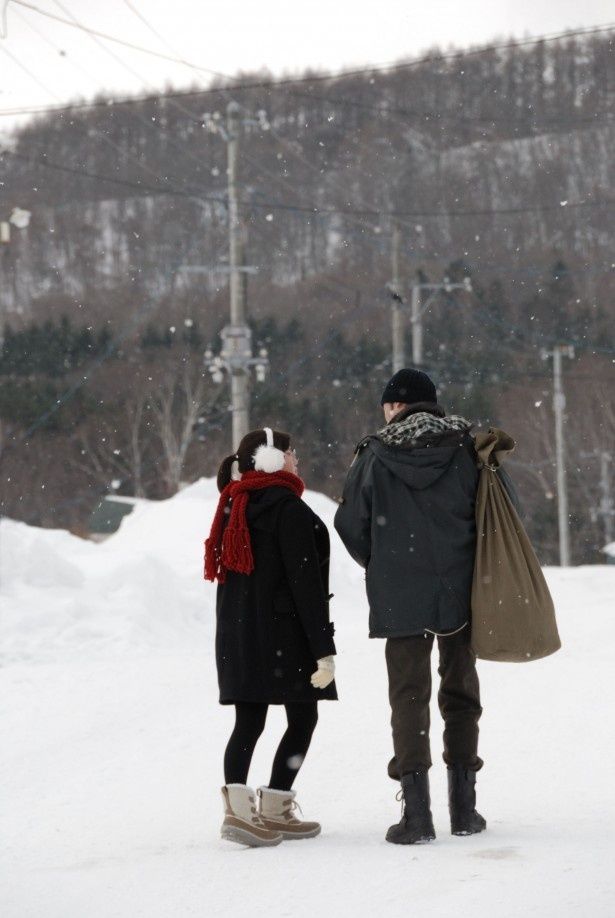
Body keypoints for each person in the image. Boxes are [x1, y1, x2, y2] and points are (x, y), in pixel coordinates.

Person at [334, 368, 491, 845]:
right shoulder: (468, 448)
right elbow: (497, 515)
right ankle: (465, 809)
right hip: (460, 587)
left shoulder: (375, 453)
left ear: (394, 407)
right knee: (460, 689)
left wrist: (382, 562)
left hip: (399, 590)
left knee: (409, 696)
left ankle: (417, 816)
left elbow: (349, 523)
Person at [205, 427, 337, 848]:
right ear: (272, 460)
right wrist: (323, 650)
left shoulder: (232, 505)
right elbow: (306, 586)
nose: (297, 459)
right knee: (303, 717)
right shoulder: (288, 510)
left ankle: (242, 812)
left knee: (249, 721)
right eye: (291, 453)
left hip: (239, 632)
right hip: (286, 635)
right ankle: (273, 809)